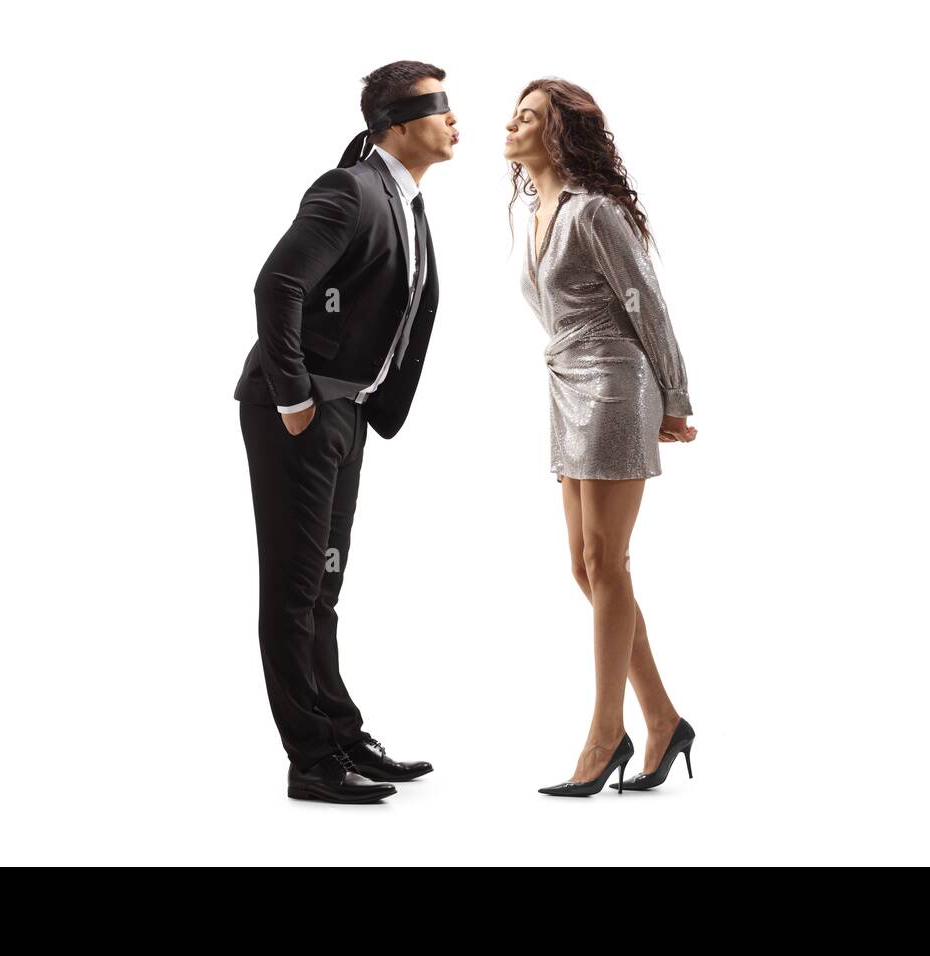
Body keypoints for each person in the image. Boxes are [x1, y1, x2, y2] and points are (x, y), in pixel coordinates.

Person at [234, 61, 458, 803]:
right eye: (438, 107)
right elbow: (279, 285)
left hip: (348, 409)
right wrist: (295, 396)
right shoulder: (349, 190)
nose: (454, 120)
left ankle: (340, 734)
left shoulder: (407, 202)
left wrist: (351, 401)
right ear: (397, 124)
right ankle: (310, 761)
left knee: (324, 584)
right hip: (297, 408)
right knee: (296, 588)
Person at [505, 77, 699, 796]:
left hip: (618, 385)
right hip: (566, 386)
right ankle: (663, 718)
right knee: (586, 568)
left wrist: (674, 398)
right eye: (515, 114)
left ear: (559, 134)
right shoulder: (534, 214)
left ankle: (604, 732)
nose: (512, 124)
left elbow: (648, 303)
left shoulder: (594, 213)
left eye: (528, 116)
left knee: (607, 560)